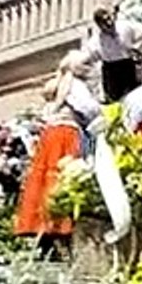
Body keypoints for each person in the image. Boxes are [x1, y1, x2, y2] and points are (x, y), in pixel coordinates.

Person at [14, 50, 101, 257]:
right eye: (85, 64)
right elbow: (90, 110)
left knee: (46, 181)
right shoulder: (76, 85)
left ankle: (44, 233)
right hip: (66, 134)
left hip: (51, 135)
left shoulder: (60, 83)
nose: (89, 68)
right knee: (65, 180)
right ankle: (59, 230)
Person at [80, 8, 142, 103]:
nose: (109, 23)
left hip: (128, 66)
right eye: (104, 22)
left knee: (135, 97)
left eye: (109, 18)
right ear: (99, 25)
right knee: (115, 101)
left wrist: (138, 46)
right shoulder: (96, 42)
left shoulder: (125, 27)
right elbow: (88, 59)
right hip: (111, 72)